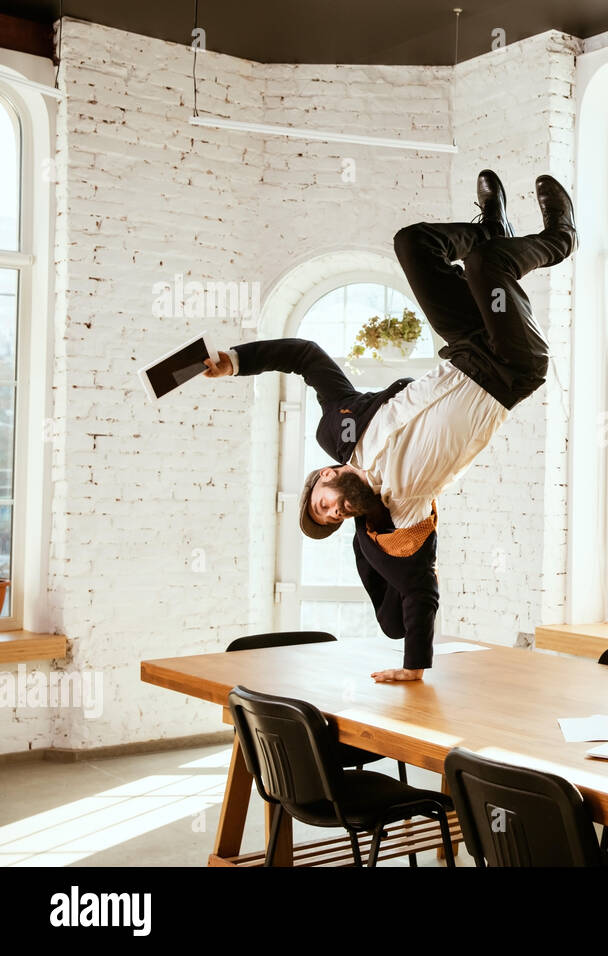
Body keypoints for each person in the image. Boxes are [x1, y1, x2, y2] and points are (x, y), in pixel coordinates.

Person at [204, 170, 576, 681]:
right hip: (509, 369)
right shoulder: (398, 517)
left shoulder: (343, 426)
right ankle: (560, 238)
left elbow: (305, 356)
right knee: (488, 269)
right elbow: (418, 594)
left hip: (465, 348)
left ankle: (488, 229)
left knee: (414, 244)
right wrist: (414, 667)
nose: (333, 509)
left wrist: (236, 361)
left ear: (322, 477)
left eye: (322, 503)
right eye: (334, 519)